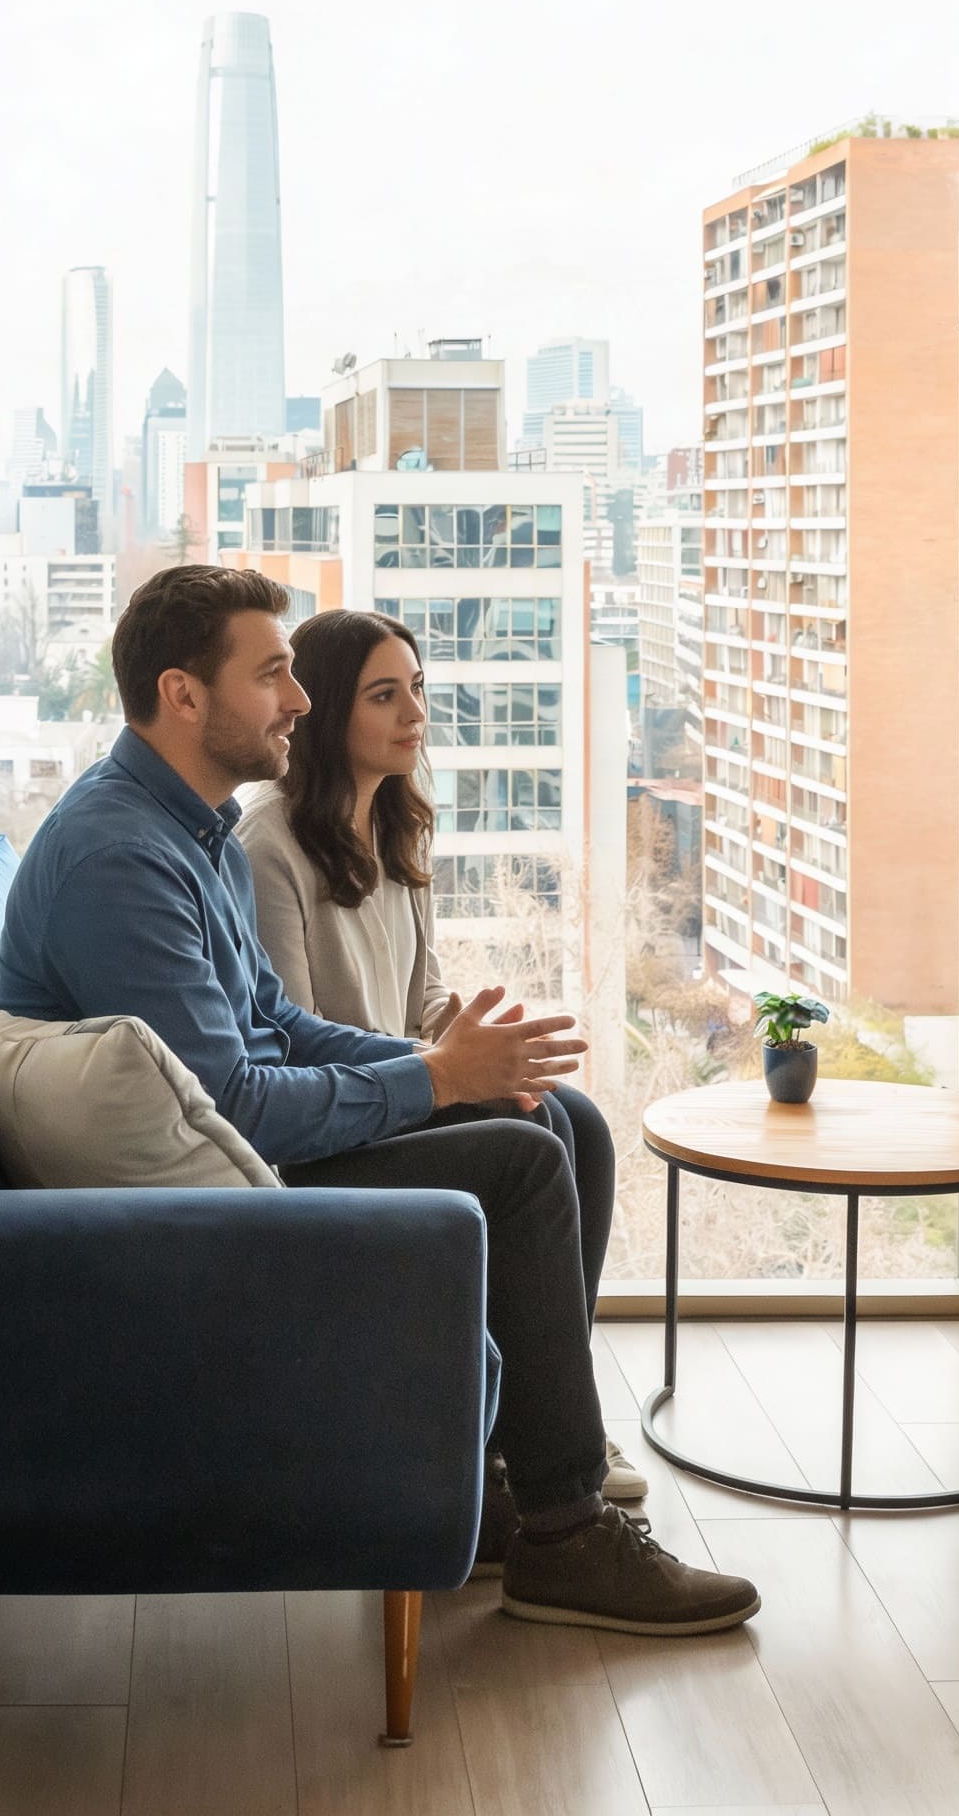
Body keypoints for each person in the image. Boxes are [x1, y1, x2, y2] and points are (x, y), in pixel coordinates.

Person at [0, 565, 758, 1636]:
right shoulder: (123, 857)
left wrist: (452, 1063)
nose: (298, 701)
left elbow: (282, 1022)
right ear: (182, 694)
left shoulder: (190, 825)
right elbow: (230, 1107)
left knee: (558, 1117)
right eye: (272, 675)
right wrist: (435, 1077)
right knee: (523, 1160)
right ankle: (568, 1528)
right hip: (204, 1202)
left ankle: (517, 1476)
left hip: (241, 1144)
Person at [234, 605, 645, 1504]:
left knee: (576, 1119)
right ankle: (542, 1445)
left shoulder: (399, 828)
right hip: (334, 1124)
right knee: (523, 1134)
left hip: (401, 1088)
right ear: (331, 710)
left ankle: (540, 1412)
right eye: (385, 695)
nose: (415, 713)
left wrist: (469, 1036)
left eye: (417, 689)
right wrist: (449, 1070)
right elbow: (289, 1031)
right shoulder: (267, 848)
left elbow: (422, 996)